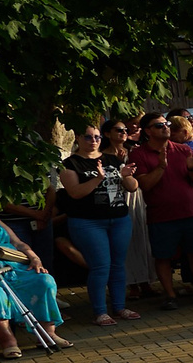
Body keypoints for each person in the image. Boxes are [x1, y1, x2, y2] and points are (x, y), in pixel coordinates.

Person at [54, 125, 135, 326]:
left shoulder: (111, 159)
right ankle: (100, 312)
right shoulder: (70, 164)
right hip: (88, 222)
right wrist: (99, 178)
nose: (93, 141)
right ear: (78, 138)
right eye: (88, 137)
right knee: (100, 266)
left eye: (97, 137)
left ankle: (119, 307)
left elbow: (132, 187)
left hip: (118, 219)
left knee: (118, 265)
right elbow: (75, 193)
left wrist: (126, 175)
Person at [129, 113, 193, 308]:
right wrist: (160, 167)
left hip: (190, 212)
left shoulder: (183, 150)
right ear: (147, 131)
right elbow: (145, 185)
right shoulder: (138, 154)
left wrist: (192, 169)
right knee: (163, 256)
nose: (165, 127)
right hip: (161, 216)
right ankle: (170, 296)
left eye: (166, 124)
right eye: (159, 125)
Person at [0, 213, 66, 355]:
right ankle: (8, 341)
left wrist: (35, 258)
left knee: (44, 281)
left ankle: (48, 333)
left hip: (13, 266)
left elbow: (18, 243)